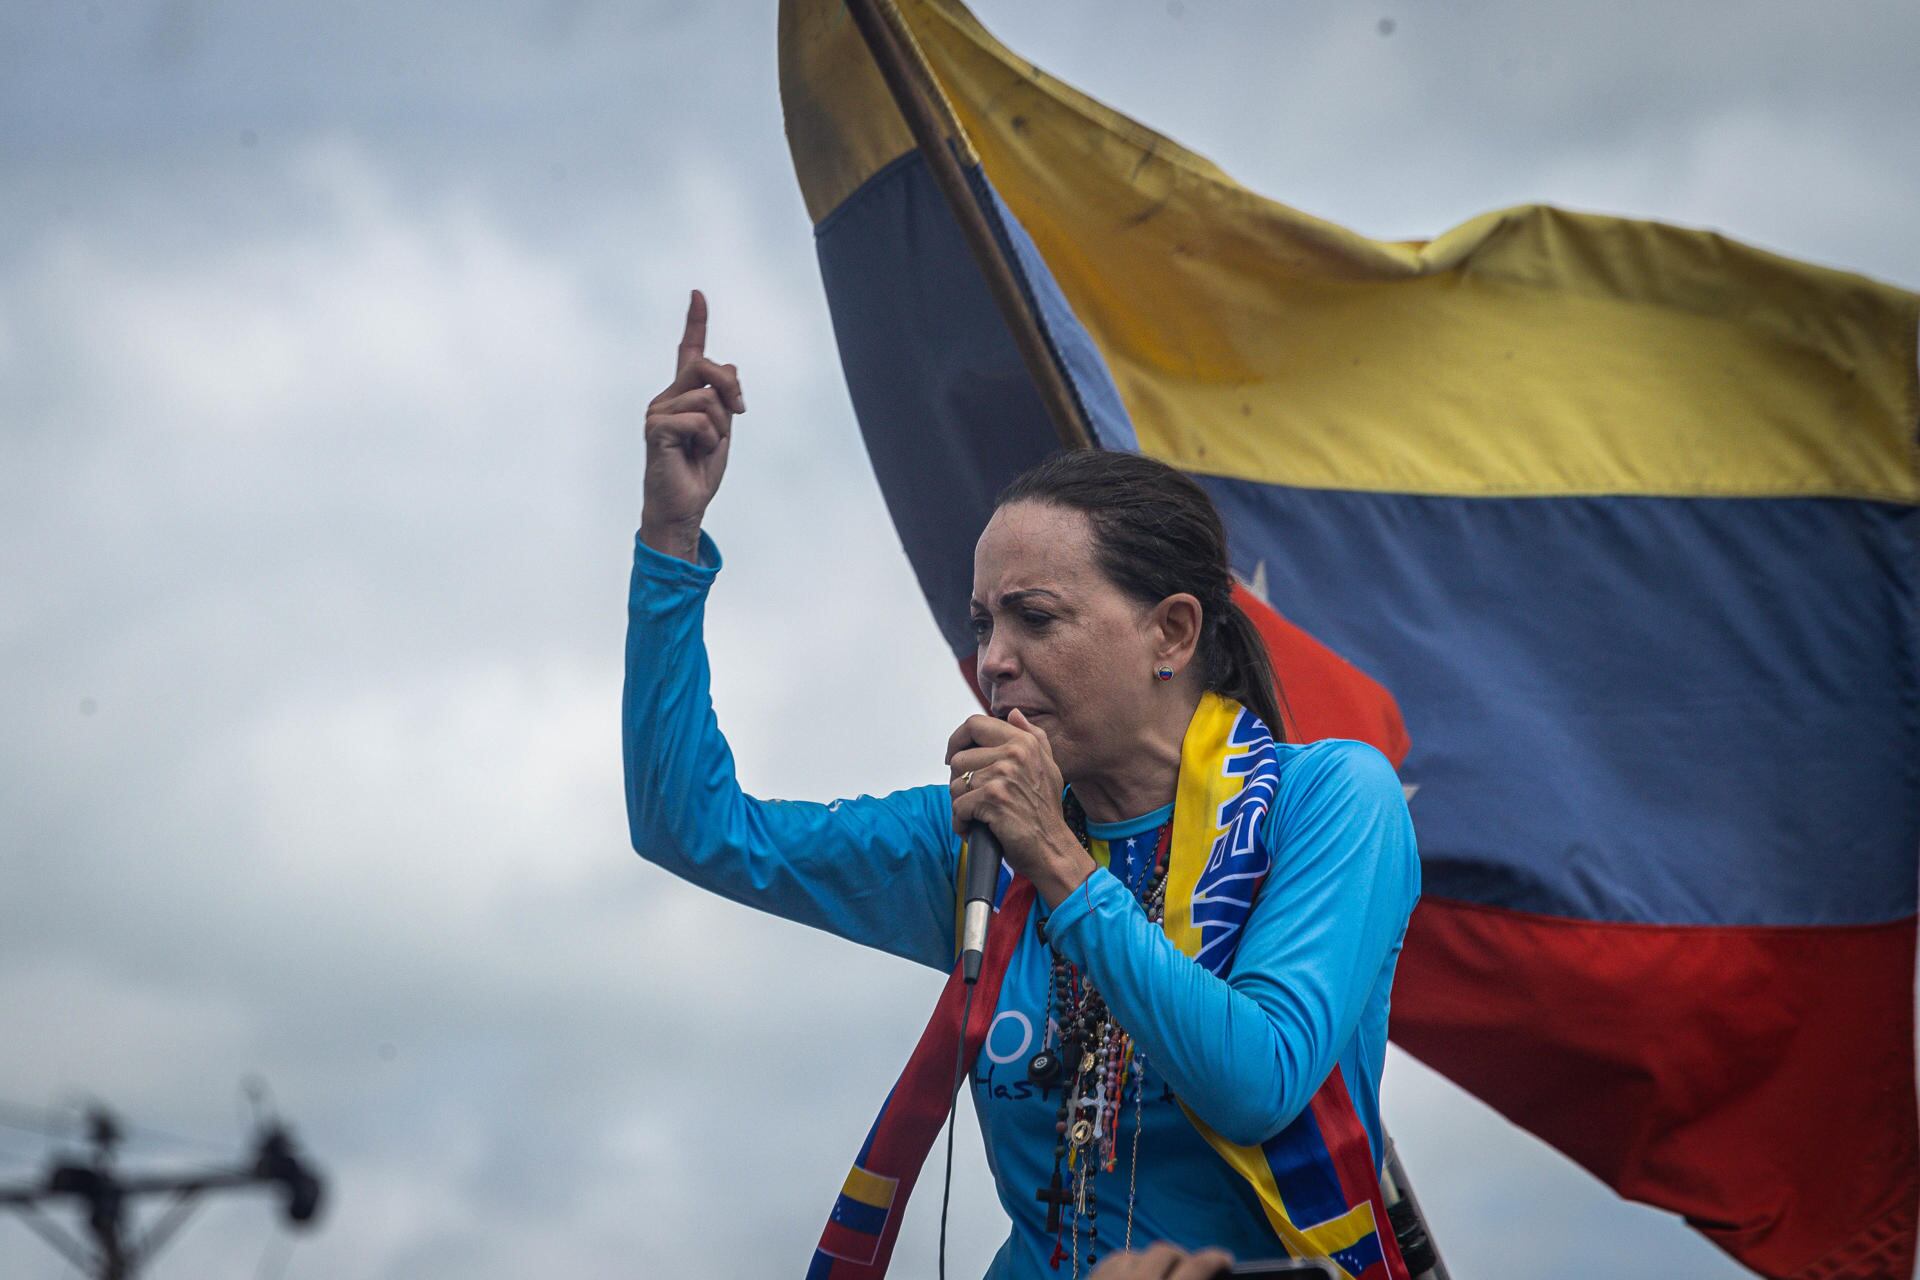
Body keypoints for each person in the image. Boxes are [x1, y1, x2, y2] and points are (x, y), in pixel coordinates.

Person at [625, 292, 1421, 1279]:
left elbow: (1257, 1079)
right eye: (981, 624)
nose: (991, 660)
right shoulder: (975, 838)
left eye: (1034, 617)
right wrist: (669, 535)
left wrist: (1052, 856)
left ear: (1171, 632)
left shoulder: (1334, 800)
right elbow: (691, 827)